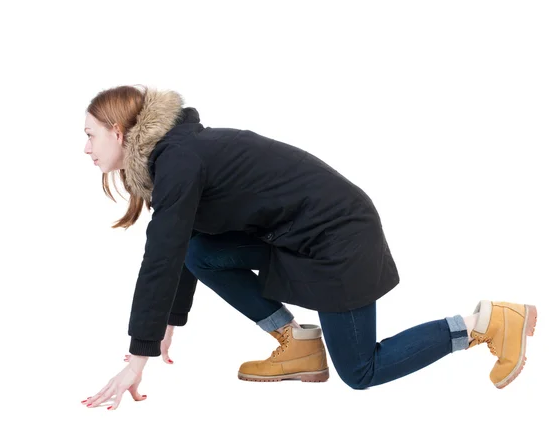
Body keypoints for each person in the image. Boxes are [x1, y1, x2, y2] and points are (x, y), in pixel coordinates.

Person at [80, 85, 537, 410]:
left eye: (90, 134)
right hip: (299, 235)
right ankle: (295, 341)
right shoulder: (177, 157)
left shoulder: (178, 160)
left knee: (361, 371)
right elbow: (180, 243)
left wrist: (137, 359)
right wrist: (167, 321)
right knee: (201, 253)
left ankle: (485, 323)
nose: (86, 148)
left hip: (336, 238)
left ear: (119, 132)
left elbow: (159, 256)